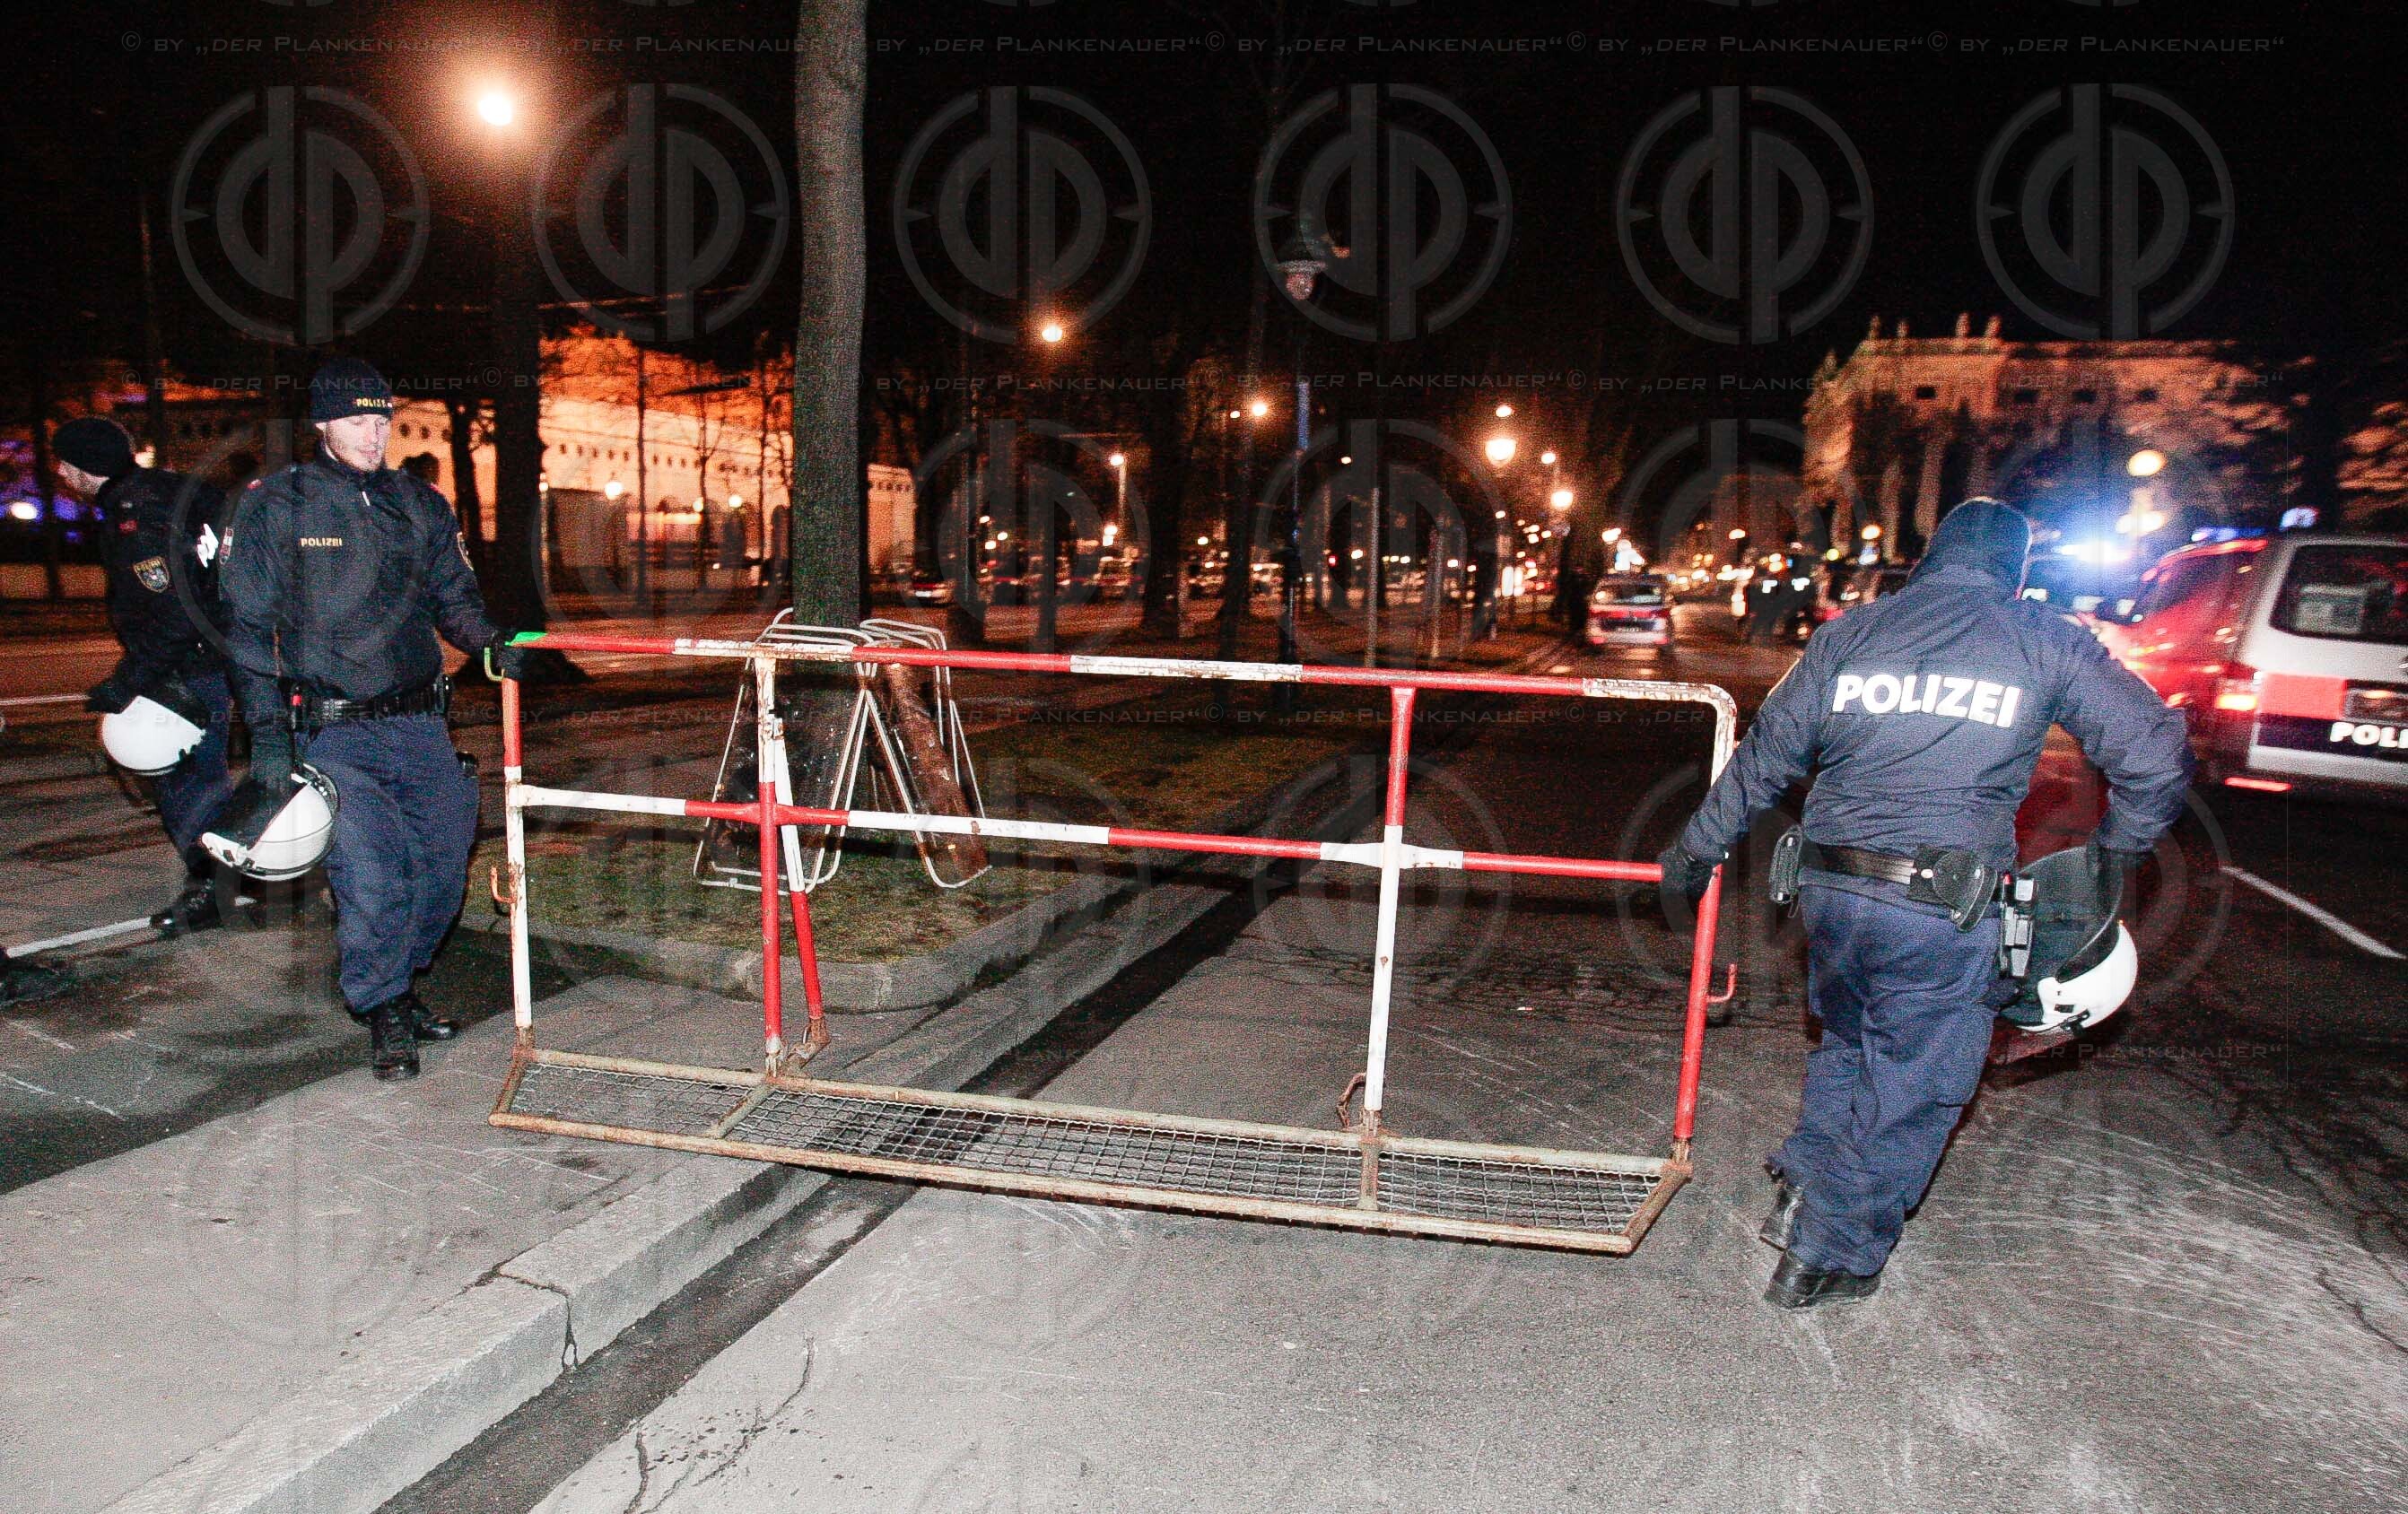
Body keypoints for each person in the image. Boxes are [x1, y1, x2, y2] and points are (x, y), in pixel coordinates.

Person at [1655, 499, 2191, 1310]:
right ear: (2016, 573)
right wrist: (2111, 859)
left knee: (1849, 1042)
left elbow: (1764, 758)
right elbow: (2155, 755)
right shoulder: (2042, 638)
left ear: (1930, 558)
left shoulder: (1850, 634)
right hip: (1940, 911)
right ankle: (1829, 1253)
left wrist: (1694, 852)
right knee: (1916, 1084)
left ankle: (1807, 1184)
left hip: (1830, 897)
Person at [215, 359, 524, 1080]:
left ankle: (399, 981)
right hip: (335, 732)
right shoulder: (277, 505)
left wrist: (490, 643)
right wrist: (267, 734)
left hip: (420, 727)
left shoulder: (418, 503)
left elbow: (454, 596)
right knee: (373, 877)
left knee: (442, 874)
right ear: (323, 423)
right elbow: (247, 630)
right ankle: (384, 1005)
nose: (373, 433)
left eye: (382, 418)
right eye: (356, 419)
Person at [51, 416, 238, 936]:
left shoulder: (137, 517)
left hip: (189, 666)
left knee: (185, 782)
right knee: (200, 778)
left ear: (85, 467)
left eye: (65, 464)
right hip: (216, 654)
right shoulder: (168, 490)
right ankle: (233, 875)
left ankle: (214, 888)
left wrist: (127, 680)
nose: (61, 474)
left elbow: (175, 612)